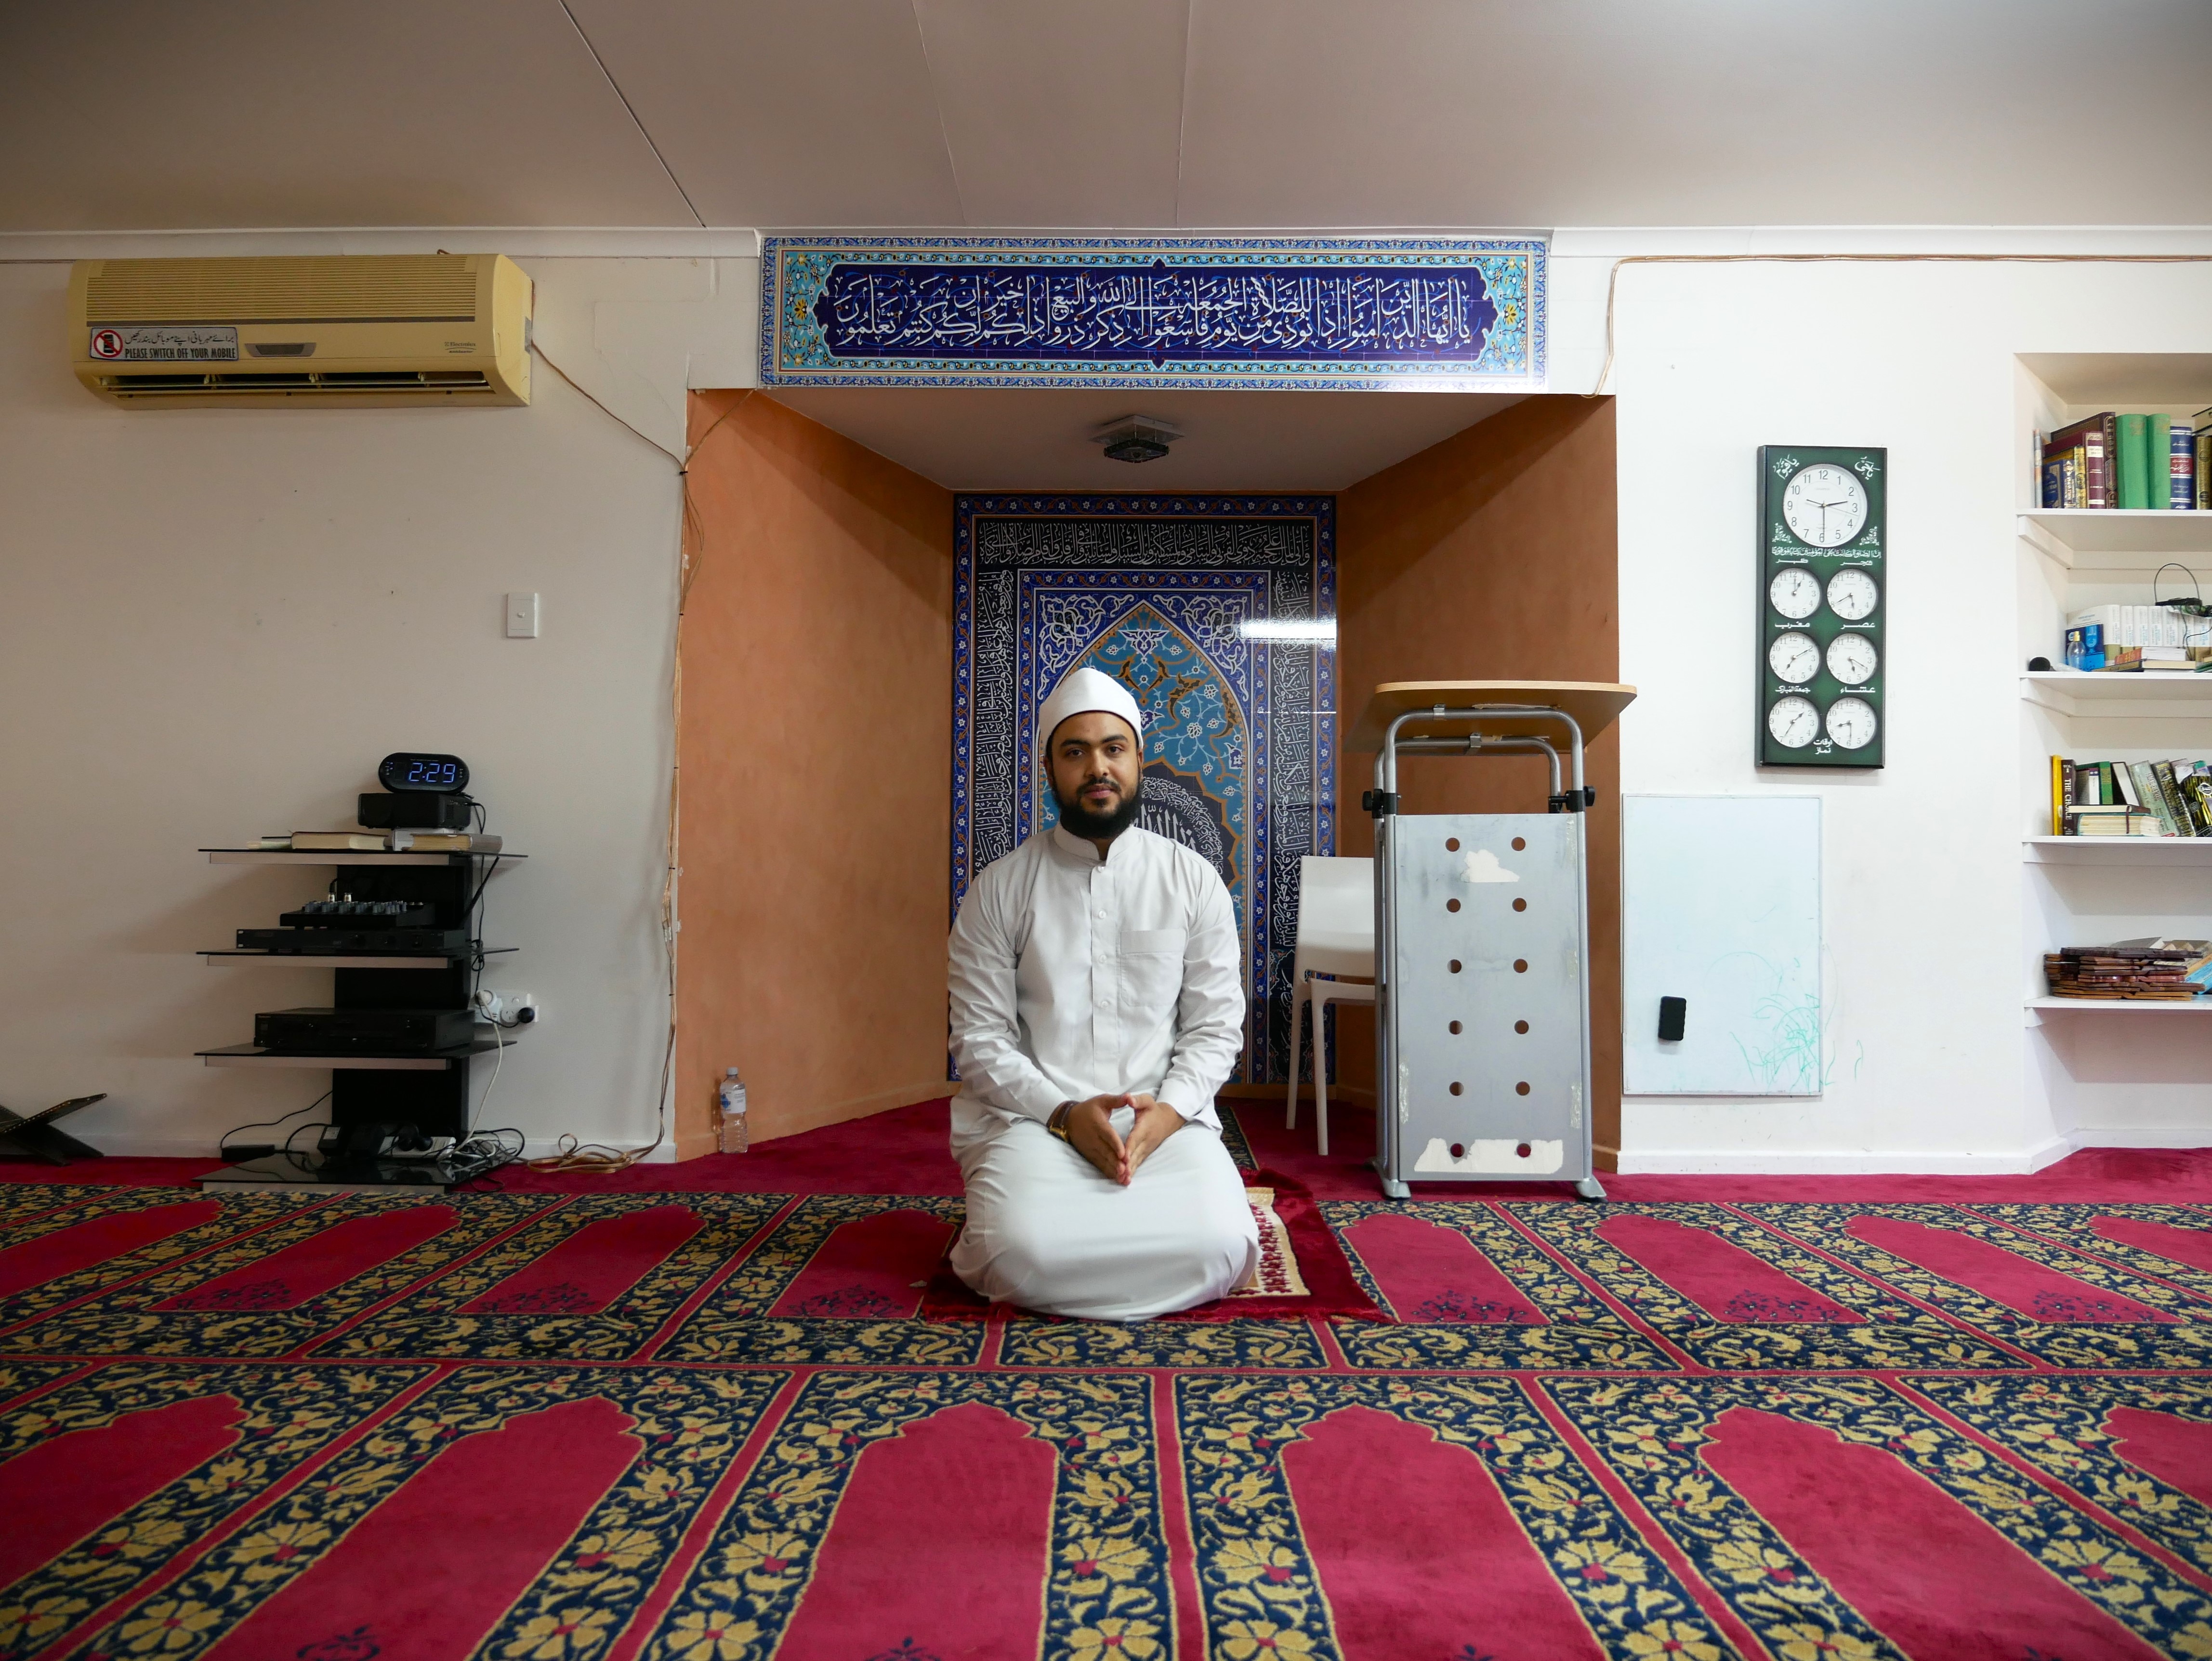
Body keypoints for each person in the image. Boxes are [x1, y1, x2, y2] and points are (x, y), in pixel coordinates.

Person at [946, 666, 1259, 1320]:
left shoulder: (1192, 881)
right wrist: (1063, 1114)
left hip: (1164, 1123)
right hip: (1035, 1123)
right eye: (1076, 751)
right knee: (1018, 1253)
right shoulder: (999, 889)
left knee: (1225, 1246)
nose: (1098, 768)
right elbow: (979, 1041)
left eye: (1113, 749)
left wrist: (1168, 1114)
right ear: (1050, 768)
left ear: (1139, 760)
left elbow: (1215, 1028)